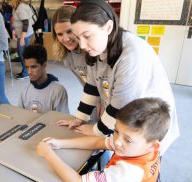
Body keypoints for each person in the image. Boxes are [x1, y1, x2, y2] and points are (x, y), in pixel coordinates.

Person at [57, 0, 179, 155]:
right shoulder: (96, 48)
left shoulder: (133, 54)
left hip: (149, 122)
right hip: (125, 120)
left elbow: (120, 105)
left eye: (86, 36)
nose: (81, 45)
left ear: (108, 27)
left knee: (143, 168)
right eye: (78, 37)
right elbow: (92, 86)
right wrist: (80, 117)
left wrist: (96, 130)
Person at [37, 98, 170, 182]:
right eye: (116, 131)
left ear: (153, 145)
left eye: (127, 139)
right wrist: (60, 143)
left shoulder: (126, 173)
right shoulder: (142, 146)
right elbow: (98, 141)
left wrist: (48, 154)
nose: (117, 141)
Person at [18, 45, 69, 113]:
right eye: (27, 67)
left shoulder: (58, 91)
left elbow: (62, 119)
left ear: (44, 65)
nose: (29, 72)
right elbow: (20, 115)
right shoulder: (24, 90)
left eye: (34, 67)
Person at [52, 5, 87, 83]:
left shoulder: (92, 51)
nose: (66, 39)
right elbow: (84, 82)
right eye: (60, 34)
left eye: (69, 31)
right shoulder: (67, 55)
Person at [8, 0, 34, 79]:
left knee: (23, 54)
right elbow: (15, 21)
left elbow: (26, 24)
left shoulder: (21, 8)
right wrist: (14, 32)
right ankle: (26, 71)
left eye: (9, 1)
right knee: (21, 53)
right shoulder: (15, 7)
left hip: (25, 34)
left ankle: (26, 72)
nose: (8, 3)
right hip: (21, 34)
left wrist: (22, 38)